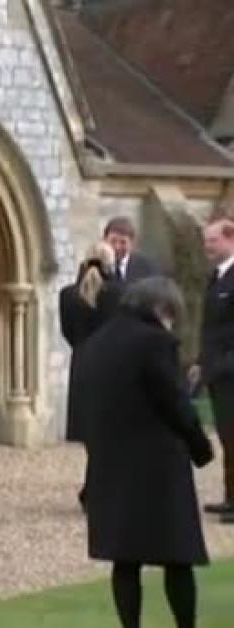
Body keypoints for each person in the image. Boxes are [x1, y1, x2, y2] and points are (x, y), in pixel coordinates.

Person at [74, 276, 214, 628]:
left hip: (110, 462)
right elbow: (175, 403)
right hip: (157, 466)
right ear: (161, 308)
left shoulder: (97, 342)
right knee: (177, 556)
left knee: (125, 559)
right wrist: (201, 448)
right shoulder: (153, 342)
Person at [59, 241, 123, 510]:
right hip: (110, 365)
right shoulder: (119, 293)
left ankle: (93, 489)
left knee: (92, 433)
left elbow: (67, 332)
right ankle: (98, 490)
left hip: (82, 364)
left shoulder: (67, 294)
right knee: (109, 432)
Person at [191, 218, 234, 525]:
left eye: (212, 241)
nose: (207, 247)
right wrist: (201, 361)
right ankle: (231, 497)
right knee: (227, 437)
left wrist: (223, 364)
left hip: (230, 373)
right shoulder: (217, 277)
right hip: (218, 373)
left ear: (231, 239)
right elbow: (212, 329)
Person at [103, 216, 159, 282]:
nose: (117, 247)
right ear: (104, 240)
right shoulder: (97, 267)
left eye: (123, 242)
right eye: (113, 241)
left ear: (132, 243)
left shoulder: (147, 268)